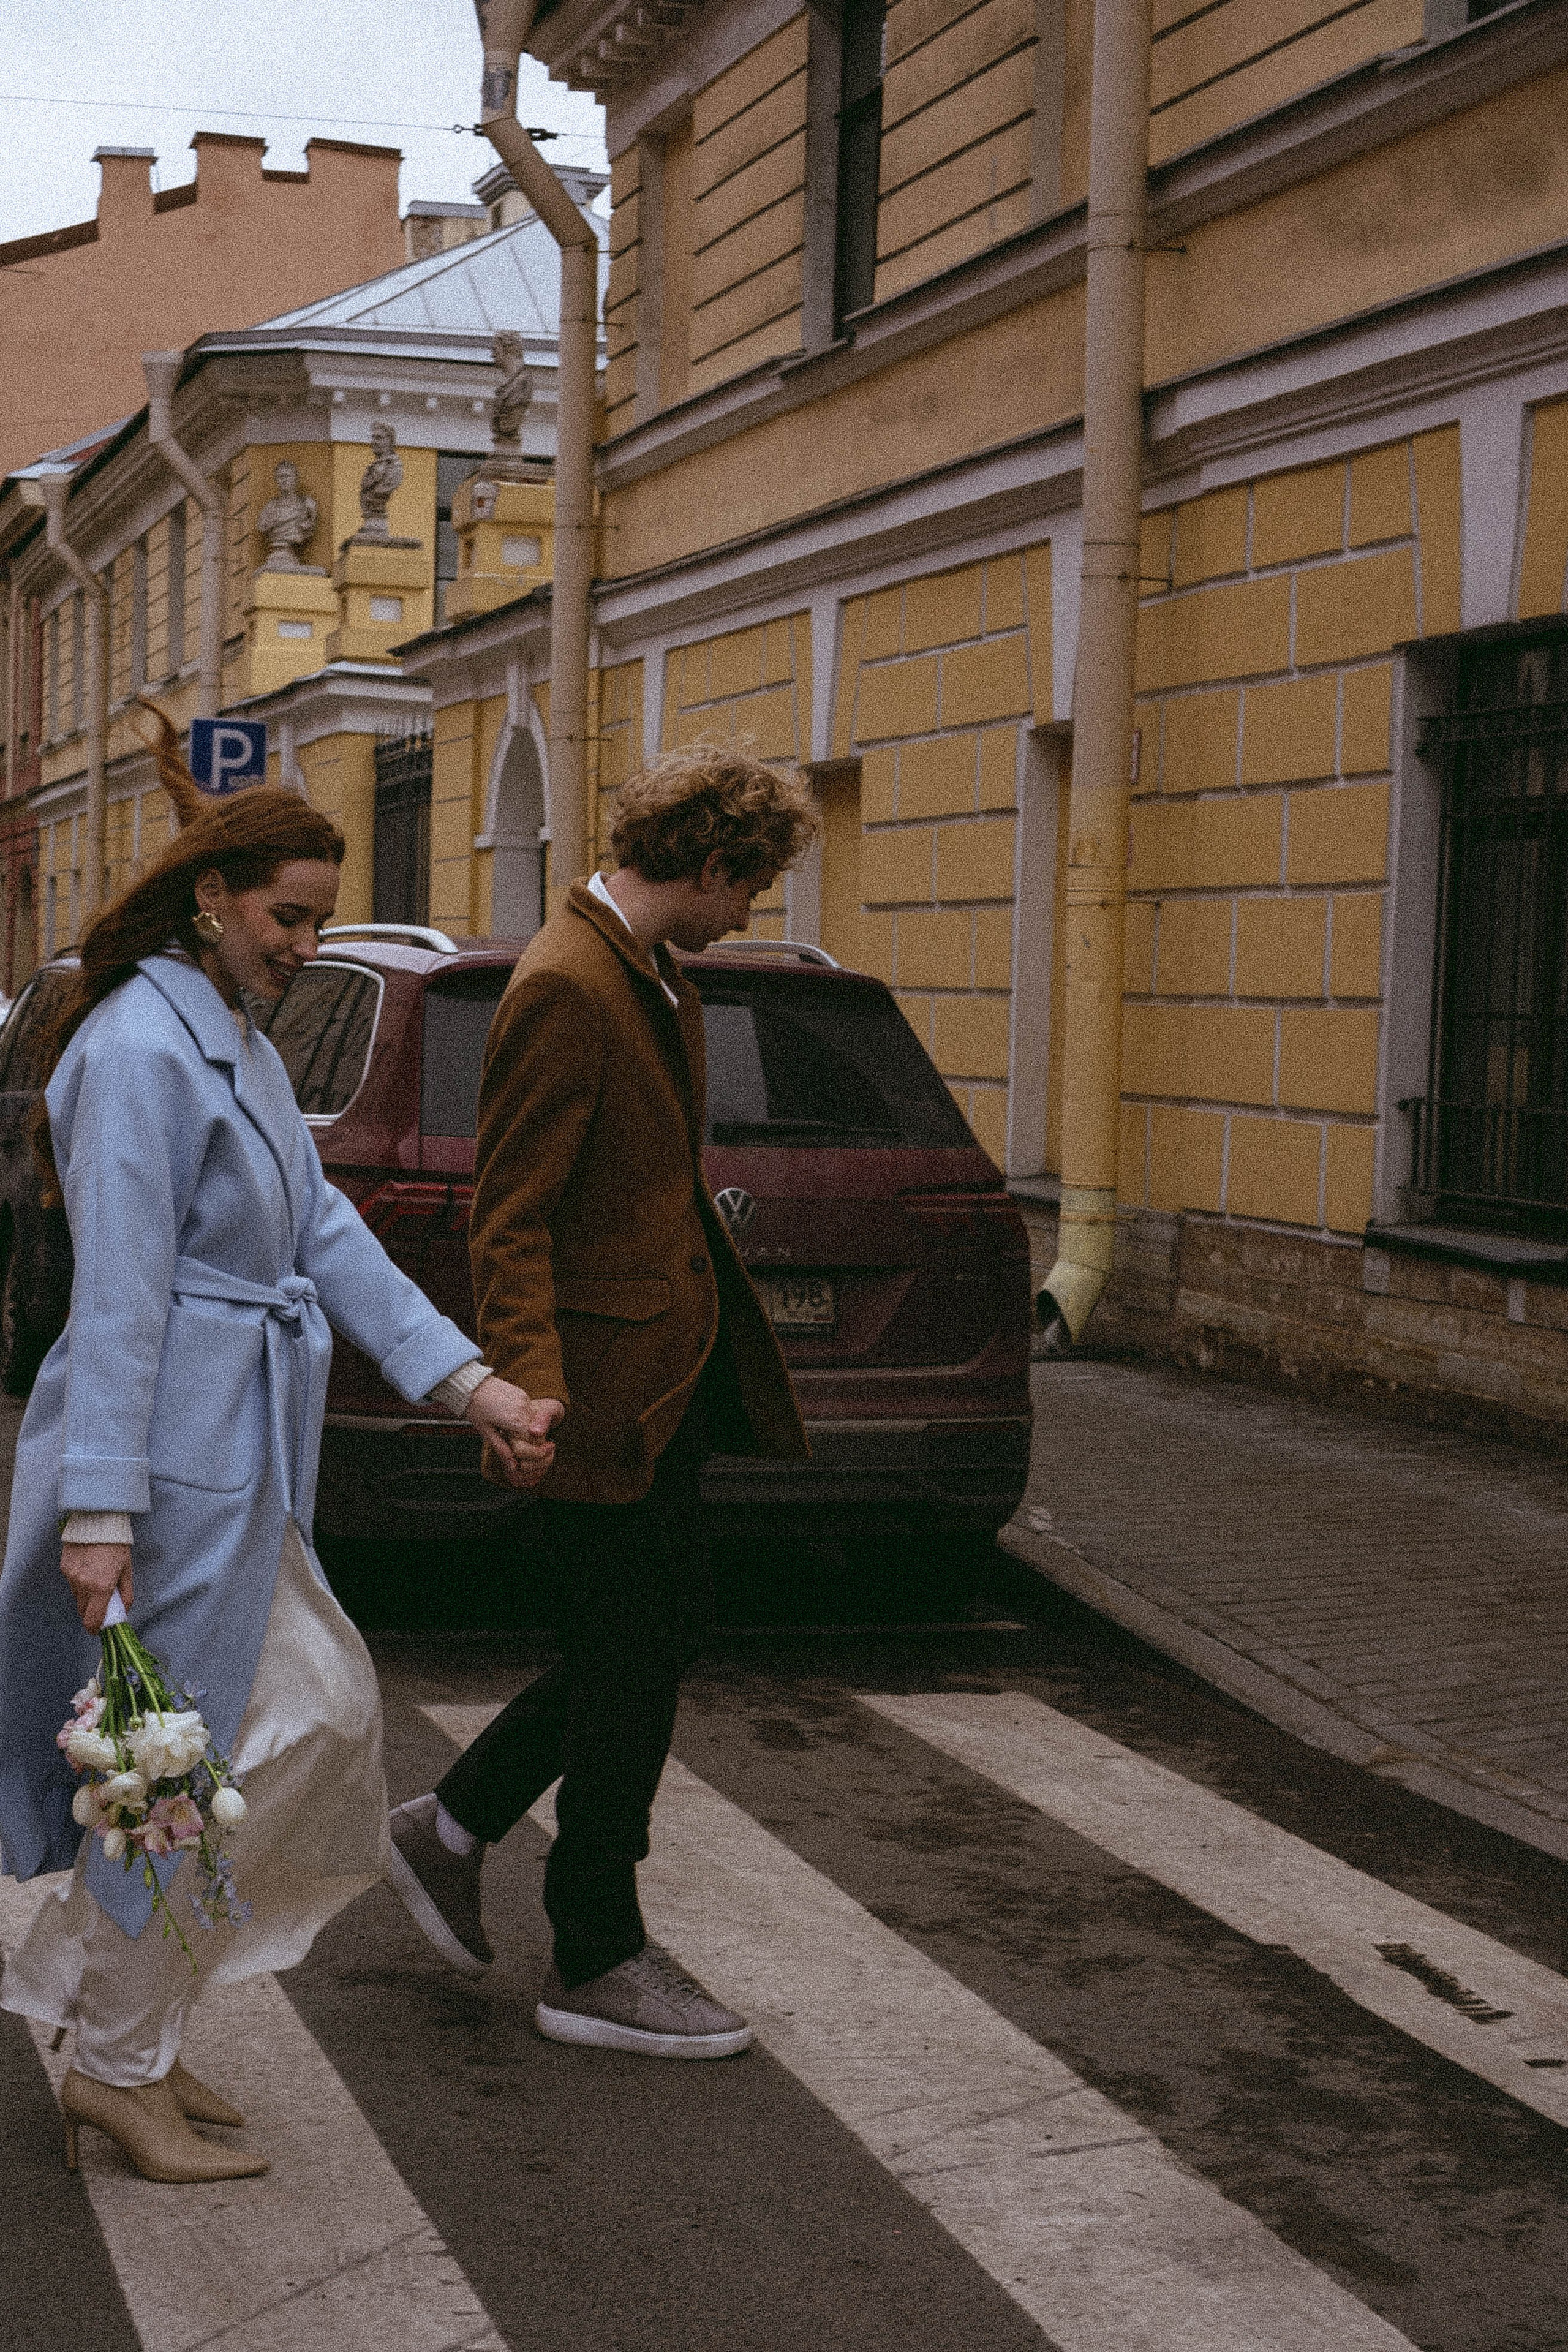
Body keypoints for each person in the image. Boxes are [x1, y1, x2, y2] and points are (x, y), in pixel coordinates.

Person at [0, 710, 552, 2182]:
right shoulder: (137, 1052)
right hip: (171, 1461)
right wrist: (98, 1513)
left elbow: (324, 1231)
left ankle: (132, 2035)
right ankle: (117, 2065)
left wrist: (472, 1387)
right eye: (287, 919)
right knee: (186, 1763)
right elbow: (116, 1298)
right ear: (213, 903)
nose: (305, 943)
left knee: (286, 1732)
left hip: (238, 1452)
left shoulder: (229, 1040)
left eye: (316, 919)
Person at [388, 744, 816, 2057]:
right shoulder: (569, 986)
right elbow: (508, 1217)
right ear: (704, 863)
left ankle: (452, 1823)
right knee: (632, 1659)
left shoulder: (650, 976)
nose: (754, 911)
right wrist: (527, 1393)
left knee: (659, 1632)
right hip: (592, 1396)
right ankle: (595, 1955)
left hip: (661, 1386)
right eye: (752, 884)